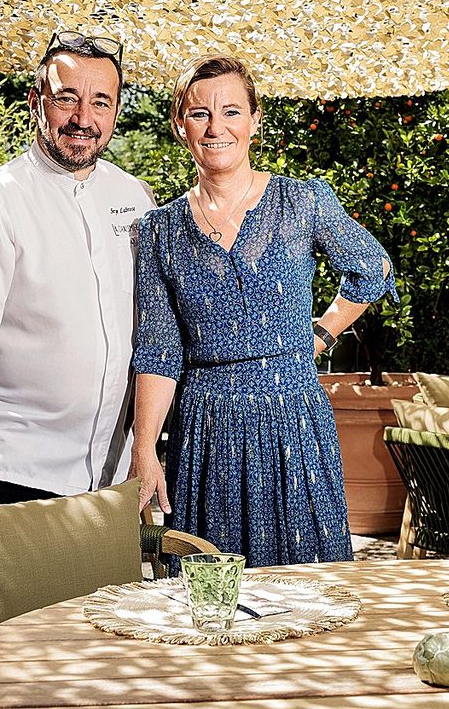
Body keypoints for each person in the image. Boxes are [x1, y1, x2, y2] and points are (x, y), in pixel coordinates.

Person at [127, 56, 396, 567]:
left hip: (293, 416)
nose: (216, 126)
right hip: (207, 429)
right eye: (199, 113)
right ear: (179, 126)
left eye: (231, 111)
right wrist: (145, 451)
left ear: (254, 121)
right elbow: (159, 353)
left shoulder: (301, 202)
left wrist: (320, 332)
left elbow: (372, 268)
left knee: (310, 588)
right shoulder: (158, 231)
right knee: (213, 592)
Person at [0, 32, 155, 548]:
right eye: (66, 97)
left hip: (115, 477)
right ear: (36, 102)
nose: (83, 118)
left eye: (100, 102)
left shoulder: (135, 197)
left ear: (116, 110)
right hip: (21, 470)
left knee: (103, 623)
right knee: (23, 627)